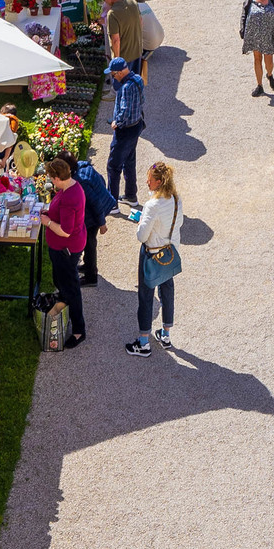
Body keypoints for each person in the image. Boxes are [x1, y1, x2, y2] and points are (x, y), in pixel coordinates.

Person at [126, 160, 183, 356]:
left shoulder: (152, 205)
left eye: (149, 180)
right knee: (167, 292)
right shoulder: (176, 199)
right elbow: (178, 224)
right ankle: (165, 335)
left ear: (158, 182)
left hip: (151, 254)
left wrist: (142, 220)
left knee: (146, 296)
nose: (146, 182)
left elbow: (141, 236)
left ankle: (143, 342)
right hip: (169, 253)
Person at [41, 153, 88, 349]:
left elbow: (66, 231)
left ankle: (79, 330)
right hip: (65, 247)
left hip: (66, 249)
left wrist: (48, 222)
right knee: (63, 283)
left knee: (71, 288)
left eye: (52, 179)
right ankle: (64, 303)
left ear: (57, 178)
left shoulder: (70, 197)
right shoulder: (72, 186)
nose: (51, 182)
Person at [106, 55, 146, 205]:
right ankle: (130, 196)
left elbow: (125, 109)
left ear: (119, 72)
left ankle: (112, 203)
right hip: (136, 125)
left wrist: (117, 122)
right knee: (129, 161)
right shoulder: (137, 79)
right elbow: (142, 101)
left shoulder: (126, 87)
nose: (113, 77)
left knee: (113, 166)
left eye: (113, 74)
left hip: (125, 130)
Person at [74, 150, 116, 289]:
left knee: (90, 243)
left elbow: (95, 204)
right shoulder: (83, 166)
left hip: (95, 214)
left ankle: (91, 277)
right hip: (100, 206)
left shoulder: (80, 181)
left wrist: (102, 223)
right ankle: (87, 266)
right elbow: (101, 180)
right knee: (89, 242)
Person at [240, 0, 274, 95]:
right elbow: (244, 15)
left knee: (269, 61)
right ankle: (259, 85)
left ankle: (269, 75)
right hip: (254, 35)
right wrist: (242, 30)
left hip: (268, 35)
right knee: (257, 59)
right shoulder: (250, 0)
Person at [102, 0, 145, 73]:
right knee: (135, 82)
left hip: (125, 57)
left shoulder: (112, 14)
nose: (105, 2)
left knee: (123, 86)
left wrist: (117, 61)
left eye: (104, 0)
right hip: (137, 50)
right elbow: (140, 21)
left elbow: (116, 40)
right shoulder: (131, 0)